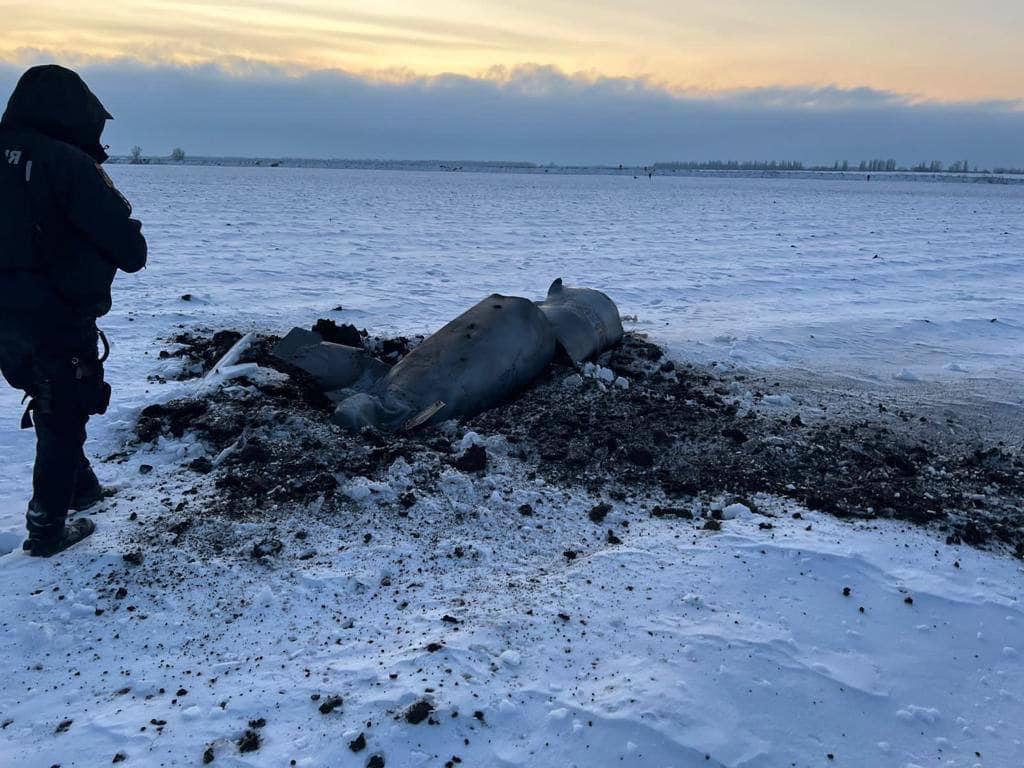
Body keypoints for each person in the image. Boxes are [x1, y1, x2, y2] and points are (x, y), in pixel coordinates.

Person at [0, 65, 147, 557]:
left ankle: (80, 488)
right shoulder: (66, 163)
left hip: (7, 316)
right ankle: (47, 528)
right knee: (63, 406)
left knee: (48, 395)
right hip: (56, 312)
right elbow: (130, 250)